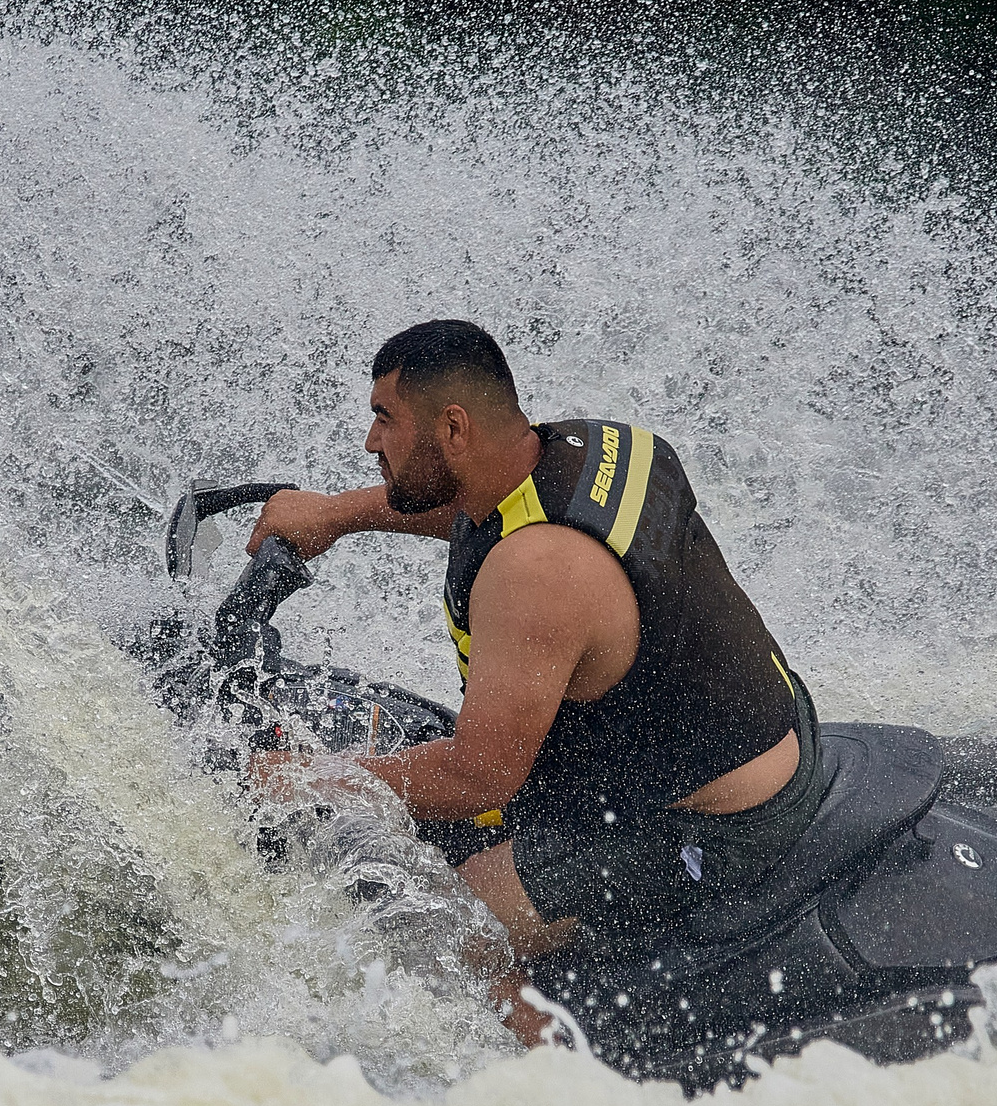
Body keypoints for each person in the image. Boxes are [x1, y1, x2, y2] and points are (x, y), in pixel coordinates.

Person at [250, 319, 825, 1044]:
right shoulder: (588, 447)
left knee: (444, 925)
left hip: (719, 824)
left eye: (384, 420)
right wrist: (336, 514)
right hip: (764, 727)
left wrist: (313, 778)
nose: (371, 442)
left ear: (454, 427)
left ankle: (561, 1096)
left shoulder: (538, 574)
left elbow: (479, 778)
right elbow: (471, 508)